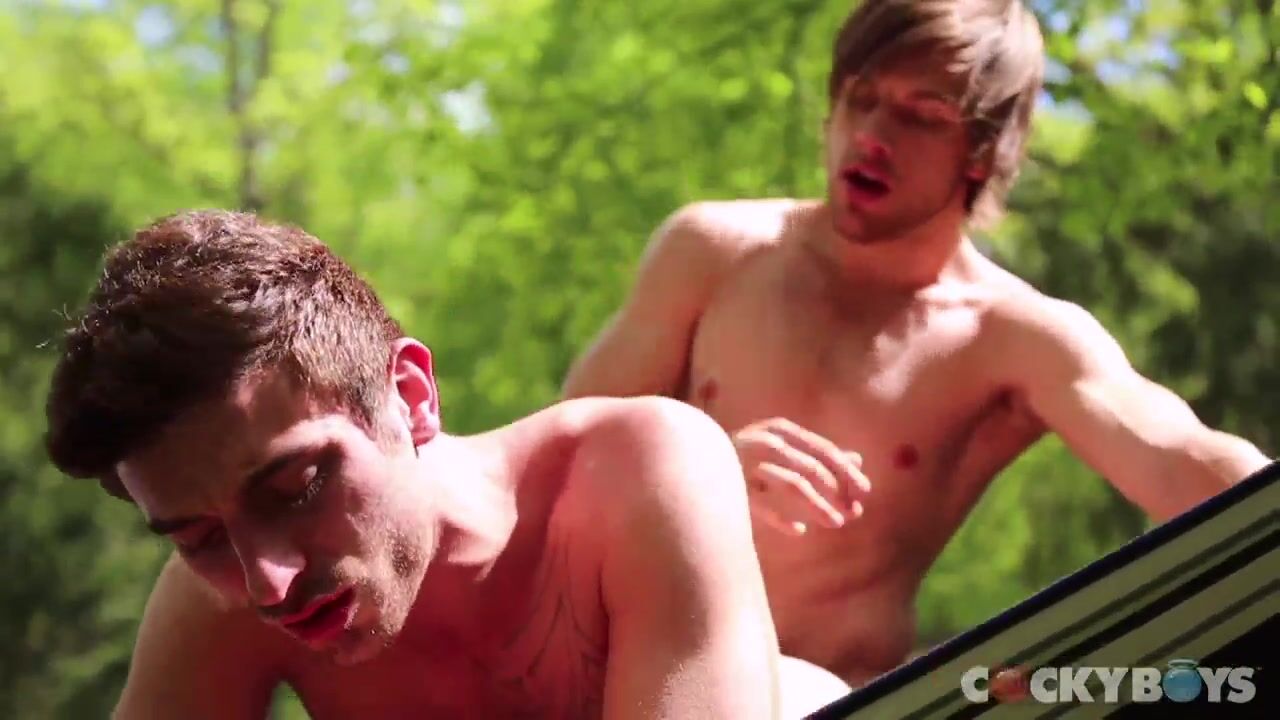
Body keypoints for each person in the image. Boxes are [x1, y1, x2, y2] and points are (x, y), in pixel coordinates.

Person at [562, 0, 1273, 687]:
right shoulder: (712, 253)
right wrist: (699, 470)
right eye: (861, 99)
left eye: (921, 115)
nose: (873, 134)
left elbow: (1184, 463)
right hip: (634, 678)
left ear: (982, 154)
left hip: (833, 696)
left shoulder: (1010, 338)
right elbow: (551, 465)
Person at [44, 210, 847, 719]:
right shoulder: (213, 602)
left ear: (410, 395)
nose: (267, 584)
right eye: (198, 537)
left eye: (296, 488)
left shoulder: (642, 468)